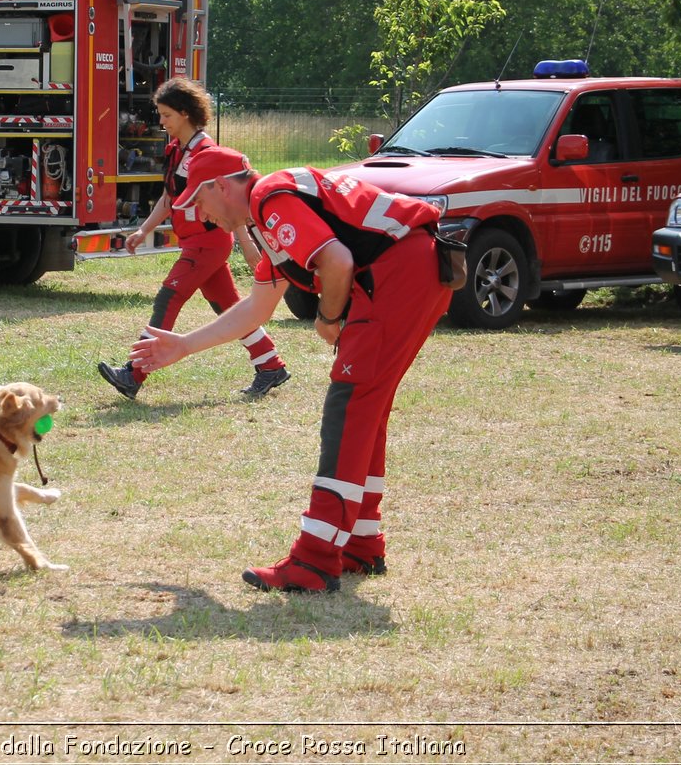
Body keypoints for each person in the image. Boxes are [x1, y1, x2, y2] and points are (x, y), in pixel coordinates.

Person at [130, 145, 450, 593]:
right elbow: (257, 307)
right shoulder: (273, 213)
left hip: (401, 272)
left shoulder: (269, 198)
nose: (202, 217)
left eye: (199, 203)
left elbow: (337, 262)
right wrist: (183, 346)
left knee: (351, 406)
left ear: (220, 186)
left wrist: (329, 318)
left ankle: (315, 560)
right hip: (414, 266)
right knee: (366, 407)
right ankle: (361, 541)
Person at [98, 77, 289, 401]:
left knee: (168, 297)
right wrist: (144, 229)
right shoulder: (176, 150)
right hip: (195, 243)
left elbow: (231, 203)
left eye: (166, 115)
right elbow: (170, 198)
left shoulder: (207, 152)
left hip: (208, 243)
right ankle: (270, 364)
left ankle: (134, 372)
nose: (161, 122)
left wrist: (245, 243)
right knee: (229, 308)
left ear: (185, 113)